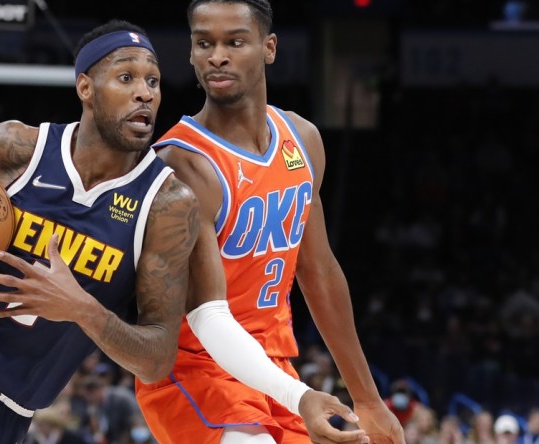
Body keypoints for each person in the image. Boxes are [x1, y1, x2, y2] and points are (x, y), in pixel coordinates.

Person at [0, 20, 199, 443]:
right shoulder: (15, 149)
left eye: (153, 80)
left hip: (15, 409)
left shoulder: (166, 206)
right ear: (86, 88)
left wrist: (83, 309)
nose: (145, 92)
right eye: (126, 77)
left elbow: (156, 357)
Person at [133, 1, 406, 443]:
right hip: (194, 368)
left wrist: (368, 398)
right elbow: (207, 316)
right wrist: (298, 396)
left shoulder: (303, 139)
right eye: (204, 43)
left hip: (273, 366)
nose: (217, 55)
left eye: (235, 42)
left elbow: (318, 272)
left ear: (269, 48)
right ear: (190, 53)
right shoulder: (182, 165)